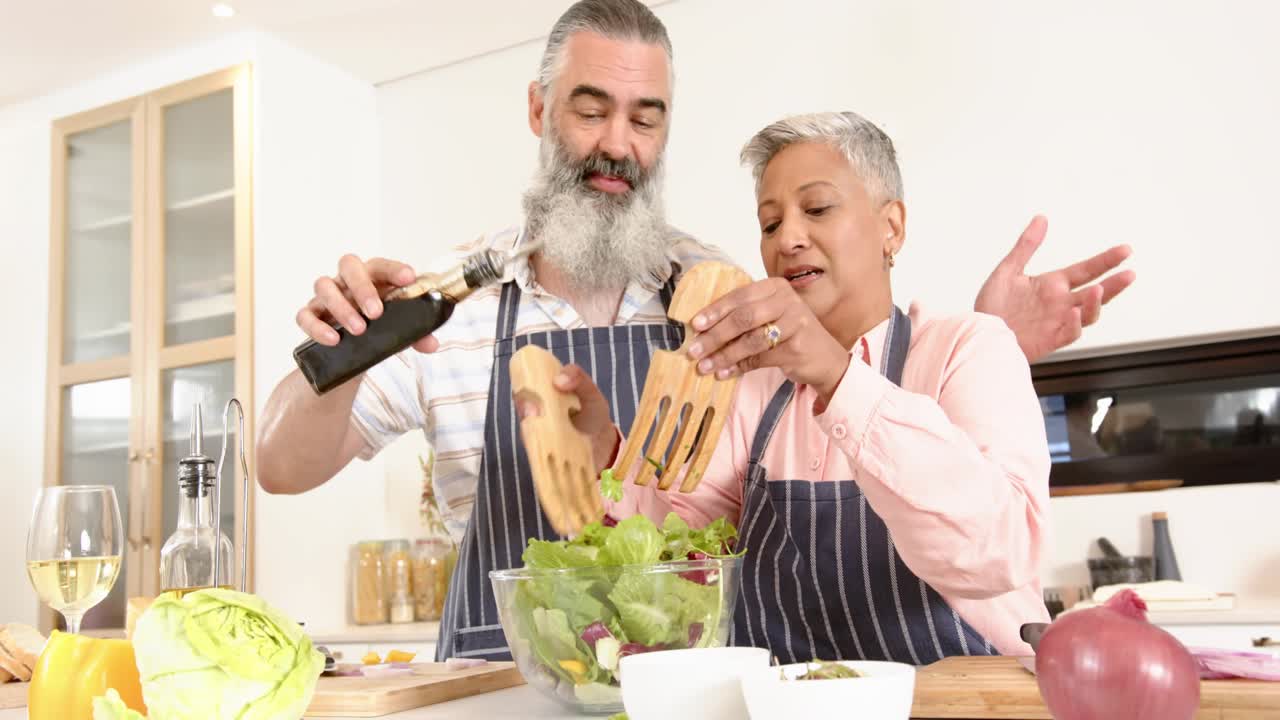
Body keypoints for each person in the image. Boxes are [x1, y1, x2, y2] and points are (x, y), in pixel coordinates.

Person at [255, 0, 1134, 662]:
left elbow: (855, 355)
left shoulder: (722, 297)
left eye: (646, 118)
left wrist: (982, 339)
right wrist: (342, 356)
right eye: (590, 109)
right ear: (537, 109)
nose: (618, 143)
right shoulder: (448, 301)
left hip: (682, 687)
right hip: (501, 681)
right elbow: (279, 467)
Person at [567, 111, 1051, 663]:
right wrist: (604, 452)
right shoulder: (751, 389)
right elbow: (684, 556)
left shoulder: (966, 349)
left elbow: (999, 554)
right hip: (792, 698)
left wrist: (837, 377)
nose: (789, 239)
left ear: (891, 227)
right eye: (770, 224)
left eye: (817, 209)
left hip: (964, 696)